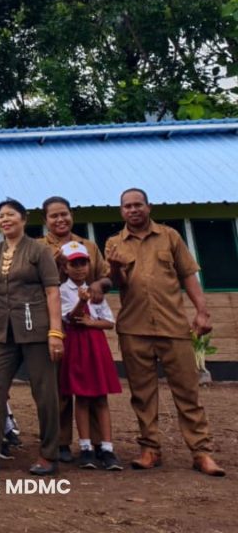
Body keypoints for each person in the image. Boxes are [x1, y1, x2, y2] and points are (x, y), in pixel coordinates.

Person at [105, 188, 224, 477]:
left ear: (149, 207)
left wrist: (202, 311)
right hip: (134, 329)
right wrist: (115, 268)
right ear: (121, 211)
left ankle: (201, 452)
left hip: (174, 327)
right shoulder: (114, 243)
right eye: (127, 206)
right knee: (142, 394)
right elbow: (116, 283)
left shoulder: (170, 236)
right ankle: (150, 449)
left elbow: (188, 275)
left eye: (138, 205)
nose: (133, 210)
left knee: (187, 392)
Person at [0, 198, 63, 475]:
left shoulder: (39, 250)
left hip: (37, 327)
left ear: (23, 218)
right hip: (3, 329)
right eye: (0, 216)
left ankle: (49, 454)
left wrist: (56, 332)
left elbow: (52, 291)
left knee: (44, 391)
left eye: (10, 215)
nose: (5, 220)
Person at [42, 195, 111, 463]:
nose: (60, 219)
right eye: (54, 216)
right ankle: (61, 442)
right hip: (54, 324)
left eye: (64, 214)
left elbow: (106, 275)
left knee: (90, 387)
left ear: (71, 215)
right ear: (45, 220)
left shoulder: (88, 245)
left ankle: (97, 444)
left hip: (85, 329)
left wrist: (99, 285)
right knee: (59, 388)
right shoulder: (38, 247)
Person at [58, 241, 122, 471]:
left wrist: (92, 322)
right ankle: (85, 447)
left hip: (96, 345)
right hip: (76, 344)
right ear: (65, 267)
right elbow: (70, 318)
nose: (79, 268)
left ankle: (107, 448)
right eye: (73, 264)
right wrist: (81, 302)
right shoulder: (62, 291)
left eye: (83, 263)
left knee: (101, 398)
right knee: (82, 397)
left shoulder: (96, 290)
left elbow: (109, 322)